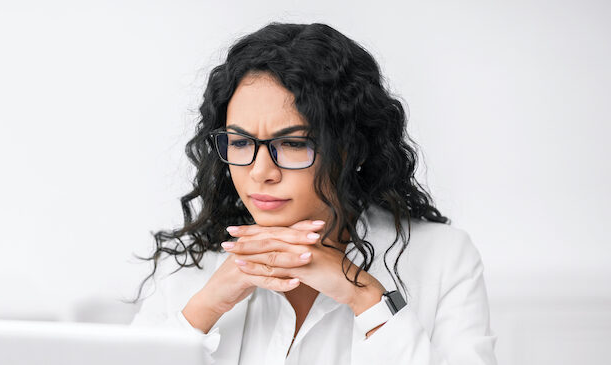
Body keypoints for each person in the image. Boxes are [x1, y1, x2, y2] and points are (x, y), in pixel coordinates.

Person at [129, 22, 497, 365]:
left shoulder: (445, 259)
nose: (260, 172)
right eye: (240, 142)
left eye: (292, 143)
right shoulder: (188, 267)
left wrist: (367, 298)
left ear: (353, 150)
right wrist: (204, 308)